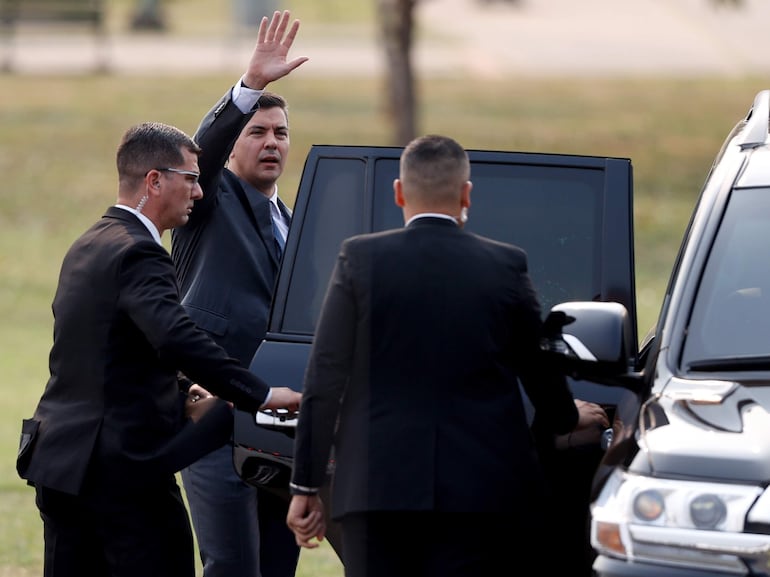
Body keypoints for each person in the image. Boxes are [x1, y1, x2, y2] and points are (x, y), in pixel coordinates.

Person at [285, 134, 609, 577]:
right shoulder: (505, 265)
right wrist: (568, 417)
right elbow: (540, 371)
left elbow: (323, 380)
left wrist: (305, 484)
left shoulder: (359, 259)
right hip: (482, 494)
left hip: (378, 492)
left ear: (399, 192)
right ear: (466, 195)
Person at [15, 121, 302, 577]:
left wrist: (185, 390)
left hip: (62, 466)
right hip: (121, 477)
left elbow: (116, 350)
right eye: (191, 178)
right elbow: (175, 336)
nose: (200, 191)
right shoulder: (139, 252)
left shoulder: (89, 243)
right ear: (154, 180)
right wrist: (261, 395)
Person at [170, 10, 308, 577]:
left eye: (280, 133)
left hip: (281, 422)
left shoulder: (294, 219)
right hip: (212, 412)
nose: (270, 142)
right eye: (258, 132)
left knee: (278, 564)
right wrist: (250, 90)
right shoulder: (209, 200)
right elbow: (203, 145)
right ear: (232, 149)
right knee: (232, 565)